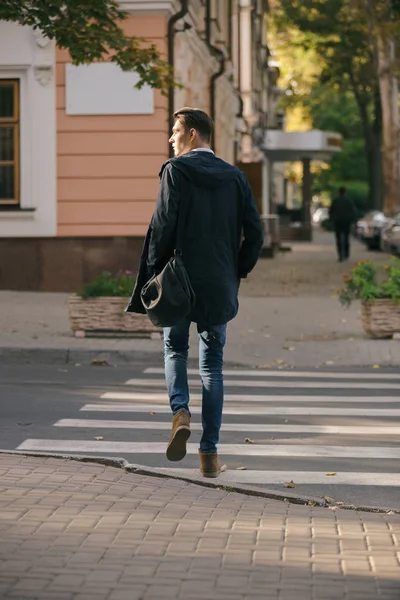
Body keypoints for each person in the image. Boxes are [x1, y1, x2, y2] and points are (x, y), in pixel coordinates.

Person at [126, 107, 264, 477]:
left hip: (178, 280)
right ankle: (209, 455)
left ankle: (180, 412)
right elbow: (255, 233)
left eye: (175, 131)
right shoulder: (235, 177)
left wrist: (155, 272)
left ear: (191, 135)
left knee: (174, 348)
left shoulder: (176, 171)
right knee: (213, 368)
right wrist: (238, 270)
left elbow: (163, 225)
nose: (170, 138)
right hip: (219, 283)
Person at [329, 186, 357, 262]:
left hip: (338, 221)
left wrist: (332, 220)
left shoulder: (335, 201)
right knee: (346, 238)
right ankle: (346, 253)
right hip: (346, 221)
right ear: (345, 192)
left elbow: (331, 211)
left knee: (338, 239)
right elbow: (353, 211)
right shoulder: (349, 201)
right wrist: (353, 221)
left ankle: (340, 255)